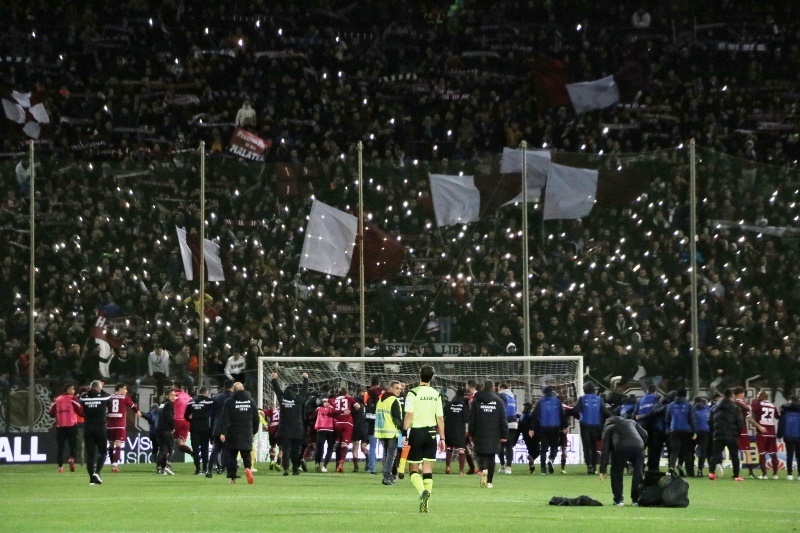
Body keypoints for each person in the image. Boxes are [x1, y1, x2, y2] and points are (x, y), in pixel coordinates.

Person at [403, 365, 446, 513]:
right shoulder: (436, 394)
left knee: (413, 469)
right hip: (431, 434)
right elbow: (440, 418)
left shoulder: (413, 393)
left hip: (417, 432)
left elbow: (409, 415)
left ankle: (422, 493)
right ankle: (426, 504)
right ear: (432, 377)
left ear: (419, 375)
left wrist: (404, 433)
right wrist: (442, 438)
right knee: (427, 470)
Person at [599, 415, 647, 506]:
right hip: (638, 446)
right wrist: (641, 444)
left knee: (616, 472)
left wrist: (602, 469)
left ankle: (618, 500)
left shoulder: (608, 428)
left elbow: (605, 450)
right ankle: (636, 500)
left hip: (621, 447)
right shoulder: (631, 422)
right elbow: (645, 434)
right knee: (638, 473)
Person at [469, 379, 508, 489]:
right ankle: (489, 482)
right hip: (494, 433)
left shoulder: (477, 400)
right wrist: (504, 435)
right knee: (491, 457)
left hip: (479, 432)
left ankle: (482, 469)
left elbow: (472, 418)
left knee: (480, 454)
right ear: (493, 388)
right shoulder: (498, 401)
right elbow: (503, 419)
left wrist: (471, 433)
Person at [220, 382, 260, 484]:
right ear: (243, 389)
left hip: (233, 432)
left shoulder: (229, 402)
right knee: (246, 454)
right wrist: (253, 431)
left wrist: (223, 432)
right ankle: (248, 469)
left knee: (232, 455)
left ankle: (233, 478)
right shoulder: (251, 401)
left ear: (233, 390)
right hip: (247, 432)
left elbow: (225, 419)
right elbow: (256, 418)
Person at [272, 371, 309, 475]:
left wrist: (274, 379)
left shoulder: (282, 399)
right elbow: (304, 391)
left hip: (284, 429)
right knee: (295, 450)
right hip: (297, 429)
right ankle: (295, 469)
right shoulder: (298, 399)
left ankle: (286, 469)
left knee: (286, 449)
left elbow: (277, 390)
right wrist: (306, 379)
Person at [572, 382, 611, 475]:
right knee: (594, 446)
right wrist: (611, 417)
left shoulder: (582, 399)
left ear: (584, 390)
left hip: (585, 425)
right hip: (596, 425)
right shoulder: (599, 399)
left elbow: (575, 411)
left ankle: (589, 466)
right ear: (594, 390)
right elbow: (605, 411)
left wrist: (579, 417)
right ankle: (594, 466)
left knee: (586, 446)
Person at [708, 388, 745, 481]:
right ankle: (736, 475)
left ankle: (711, 473)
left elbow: (709, 420)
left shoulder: (715, 407)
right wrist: (737, 433)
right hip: (731, 435)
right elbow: (740, 422)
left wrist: (714, 431)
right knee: (734, 456)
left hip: (718, 434)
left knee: (715, 454)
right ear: (732, 396)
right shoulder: (736, 408)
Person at [79, 380, 110, 485]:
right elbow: (108, 398)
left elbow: (82, 395)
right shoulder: (104, 397)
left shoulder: (83, 397)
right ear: (99, 388)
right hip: (100, 428)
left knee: (90, 455)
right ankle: (97, 472)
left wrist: (90, 390)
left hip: (88, 428)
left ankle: (92, 478)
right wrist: (101, 388)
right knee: (103, 452)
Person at [107, 382, 141, 472]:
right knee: (118, 444)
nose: (126, 391)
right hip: (120, 425)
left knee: (111, 444)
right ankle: (114, 465)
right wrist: (137, 412)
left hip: (110, 425)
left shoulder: (110, 397)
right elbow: (133, 406)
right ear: (120, 389)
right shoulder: (125, 398)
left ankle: (112, 464)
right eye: (125, 389)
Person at [533, 386, 567, 475]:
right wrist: (565, 426)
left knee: (543, 449)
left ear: (544, 393)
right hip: (555, 427)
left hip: (543, 427)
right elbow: (562, 414)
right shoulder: (557, 401)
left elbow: (535, 415)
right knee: (554, 447)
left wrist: (533, 428)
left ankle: (543, 469)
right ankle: (551, 459)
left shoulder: (540, 401)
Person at [49, 383, 83, 473]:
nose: (74, 391)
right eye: (72, 389)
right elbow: (79, 410)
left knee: (61, 447)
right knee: (73, 445)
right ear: (68, 390)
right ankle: (72, 459)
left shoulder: (57, 399)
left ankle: (60, 467)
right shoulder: (72, 399)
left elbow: (51, 413)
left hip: (60, 426)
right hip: (72, 425)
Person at [375, 380, 403, 485]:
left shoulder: (381, 400)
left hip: (382, 431)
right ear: (390, 389)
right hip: (392, 431)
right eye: (397, 388)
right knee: (391, 455)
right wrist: (403, 429)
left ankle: (390, 475)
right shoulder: (393, 400)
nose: (399, 390)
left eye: (400, 388)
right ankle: (387, 476)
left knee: (387, 454)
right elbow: (396, 419)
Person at [665, 388, 696, 477]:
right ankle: (689, 471)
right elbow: (691, 419)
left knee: (674, 450)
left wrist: (671, 427)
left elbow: (667, 419)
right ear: (685, 395)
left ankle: (671, 468)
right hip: (686, 430)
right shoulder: (688, 405)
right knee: (687, 451)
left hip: (674, 430)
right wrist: (694, 431)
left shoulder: (670, 405)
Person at [749, 390, 779, 479]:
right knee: (773, 454)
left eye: (758, 395)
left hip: (762, 432)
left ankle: (764, 474)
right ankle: (775, 474)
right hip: (772, 432)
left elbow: (750, 409)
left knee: (762, 454)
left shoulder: (758, 405)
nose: (757, 396)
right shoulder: (772, 406)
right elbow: (777, 416)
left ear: (761, 396)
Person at [208, 380, 235, 477]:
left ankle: (209, 470)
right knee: (227, 450)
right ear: (232, 387)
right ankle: (226, 470)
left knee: (216, 449)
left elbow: (212, 414)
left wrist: (211, 429)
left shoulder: (217, 397)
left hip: (216, 426)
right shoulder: (233, 397)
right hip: (227, 427)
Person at [186, 386, 214, 475]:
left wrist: (192, 417)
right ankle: (205, 468)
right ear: (206, 393)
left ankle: (198, 468)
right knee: (204, 449)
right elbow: (209, 414)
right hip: (205, 429)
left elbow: (186, 416)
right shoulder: (209, 401)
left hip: (194, 428)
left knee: (195, 449)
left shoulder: (191, 402)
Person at [634, 384, 662, 471]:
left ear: (647, 391)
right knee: (654, 448)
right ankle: (653, 467)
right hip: (654, 425)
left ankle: (640, 466)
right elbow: (657, 411)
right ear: (655, 391)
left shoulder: (640, 400)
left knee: (641, 447)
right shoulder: (658, 398)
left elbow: (634, 414)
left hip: (642, 426)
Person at [332, 387, 359, 473]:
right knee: (344, 445)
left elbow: (329, 408)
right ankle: (341, 463)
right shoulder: (349, 398)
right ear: (346, 393)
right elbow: (357, 406)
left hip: (336, 423)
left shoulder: (334, 399)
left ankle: (337, 464)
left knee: (338, 443)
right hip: (347, 423)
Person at [443, 387, 469, 475]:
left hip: (449, 430)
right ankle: (461, 471)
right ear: (463, 396)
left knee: (449, 448)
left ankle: (448, 467)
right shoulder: (464, 405)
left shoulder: (448, 404)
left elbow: (443, 415)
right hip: (459, 430)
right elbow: (466, 419)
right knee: (461, 450)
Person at [733, 386, 756, 478]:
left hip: (732, 429)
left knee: (733, 452)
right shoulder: (741, 402)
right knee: (747, 451)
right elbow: (748, 415)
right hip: (742, 429)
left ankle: (735, 473)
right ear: (741, 393)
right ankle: (750, 473)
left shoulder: (730, 402)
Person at [365, 376, 385, 475]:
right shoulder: (382, 393)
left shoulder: (367, 394)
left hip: (371, 422)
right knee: (386, 446)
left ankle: (372, 468)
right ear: (379, 383)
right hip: (382, 422)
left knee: (372, 447)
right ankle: (386, 467)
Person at [497, 383, 518, 475]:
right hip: (513, 424)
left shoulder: (501, 395)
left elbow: (499, 409)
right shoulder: (513, 397)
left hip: (504, 424)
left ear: (501, 388)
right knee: (509, 447)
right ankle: (509, 467)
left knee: (501, 445)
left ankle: (502, 466)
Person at [313, 394, 337, 473]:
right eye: (324, 402)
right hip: (322, 429)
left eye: (327, 402)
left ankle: (324, 465)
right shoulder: (319, 409)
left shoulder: (331, 409)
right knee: (320, 448)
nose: (326, 403)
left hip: (330, 430)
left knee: (329, 448)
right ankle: (318, 463)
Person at [777, 396, 800, 480]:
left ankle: (789, 474)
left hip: (788, 435)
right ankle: (799, 475)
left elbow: (781, 423)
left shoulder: (785, 410)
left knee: (789, 455)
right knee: (799, 456)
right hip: (799, 436)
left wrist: (779, 435)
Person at [171, 381, 195, 460]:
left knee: (168, 441)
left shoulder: (175, 395)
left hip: (177, 421)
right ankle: (193, 453)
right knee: (181, 444)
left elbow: (170, 402)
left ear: (175, 386)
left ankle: (166, 463)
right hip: (187, 421)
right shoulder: (187, 395)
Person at [157, 389, 177, 475]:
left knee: (163, 450)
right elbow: (169, 418)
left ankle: (160, 469)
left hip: (159, 430)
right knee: (171, 449)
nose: (173, 397)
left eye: (174, 395)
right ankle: (166, 466)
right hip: (166, 430)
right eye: (171, 395)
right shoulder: (169, 404)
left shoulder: (162, 404)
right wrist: (173, 427)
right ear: (167, 396)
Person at [692, 396, 711, 477]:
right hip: (705, 431)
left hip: (693, 432)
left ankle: (690, 470)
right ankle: (700, 470)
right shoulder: (707, 408)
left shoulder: (692, 409)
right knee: (703, 452)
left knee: (690, 451)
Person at [517, 401, 539, 473]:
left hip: (525, 436)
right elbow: (535, 424)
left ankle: (531, 469)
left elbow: (519, 427)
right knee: (537, 451)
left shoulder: (522, 416)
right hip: (533, 435)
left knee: (530, 450)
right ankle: (532, 459)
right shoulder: (532, 415)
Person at [263, 405, 280, 470]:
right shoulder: (284, 408)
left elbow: (262, 413)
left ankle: (272, 460)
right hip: (280, 429)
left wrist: (264, 423)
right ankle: (278, 463)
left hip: (272, 429)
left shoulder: (272, 409)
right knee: (282, 447)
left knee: (273, 446)